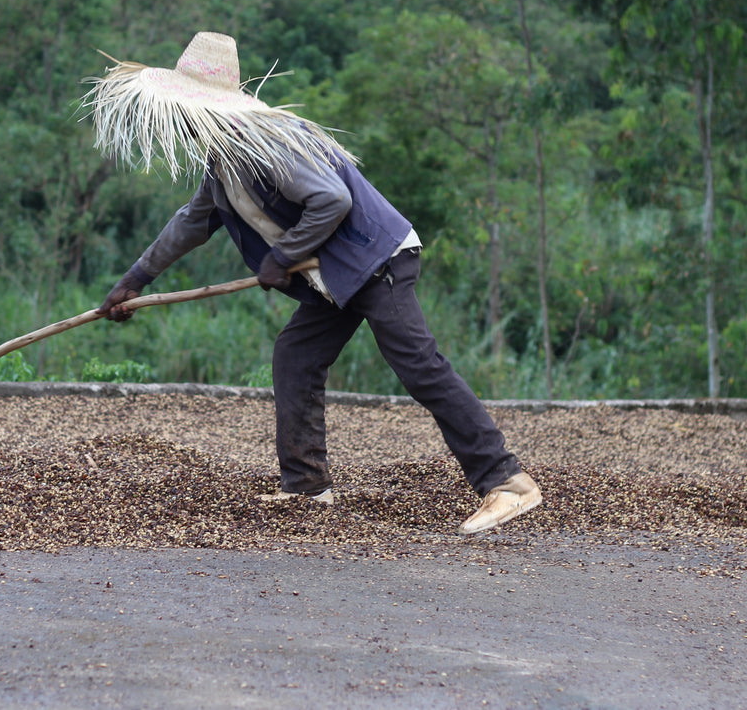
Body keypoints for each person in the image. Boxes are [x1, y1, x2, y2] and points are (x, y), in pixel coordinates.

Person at [83, 31, 541, 535]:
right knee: (296, 356)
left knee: (419, 366)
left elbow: (331, 200)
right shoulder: (223, 161)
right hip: (336, 275)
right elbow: (191, 223)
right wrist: (134, 280)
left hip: (378, 260)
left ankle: (507, 481)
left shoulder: (270, 142)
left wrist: (282, 257)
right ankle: (306, 485)